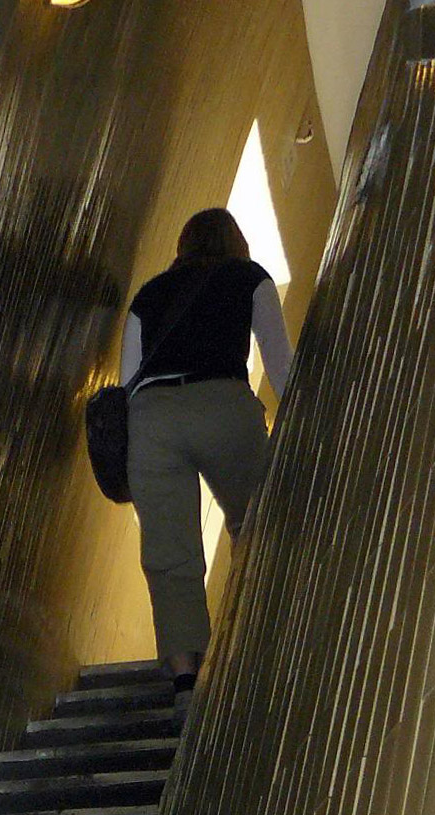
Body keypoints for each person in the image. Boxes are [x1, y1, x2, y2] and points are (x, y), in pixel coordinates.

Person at [121, 207, 293, 708]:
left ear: (183, 245)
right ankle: (253, 632)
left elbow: (128, 381)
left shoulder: (149, 295)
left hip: (152, 416)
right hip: (223, 404)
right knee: (256, 521)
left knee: (170, 551)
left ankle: (185, 680)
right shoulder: (250, 278)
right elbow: (280, 365)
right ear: (236, 242)